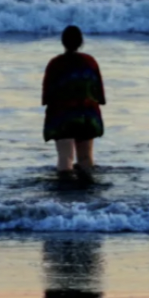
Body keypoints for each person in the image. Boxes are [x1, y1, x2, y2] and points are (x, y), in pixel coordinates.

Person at [42, 25, 105, 183]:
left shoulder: (55, 64)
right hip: (87, 115)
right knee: (86, 158)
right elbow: (99, 95)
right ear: (81, 42)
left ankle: (65, 198)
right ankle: (88, 198)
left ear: (63, 42)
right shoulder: (90, 62)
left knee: (66, 157)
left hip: (62, 116)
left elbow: (46, 96)